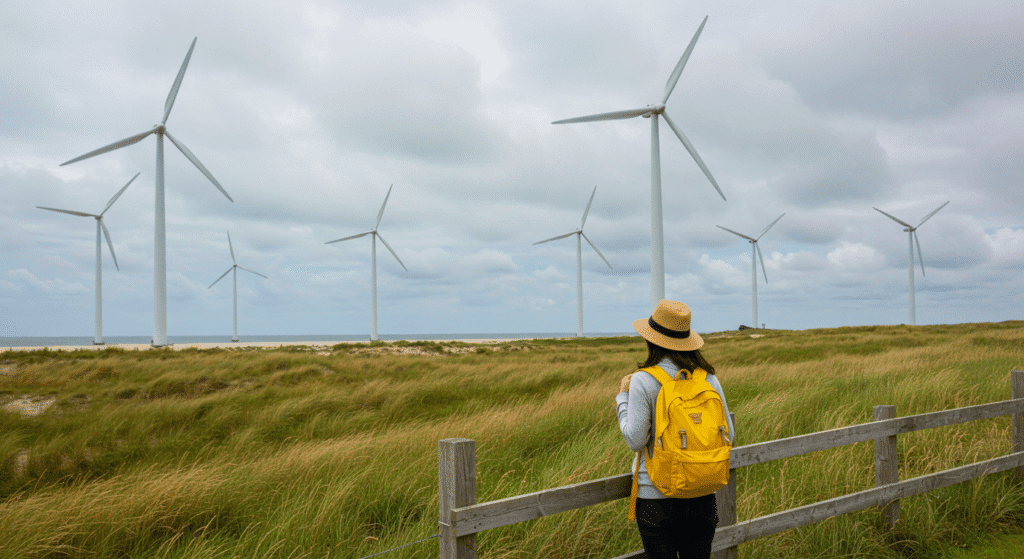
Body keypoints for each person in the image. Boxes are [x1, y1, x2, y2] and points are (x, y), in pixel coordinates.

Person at [616, 300, 734, 559]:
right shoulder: (708, 378)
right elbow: (729, 436)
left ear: (651, 339)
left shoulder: (643, 380)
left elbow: (635, 439)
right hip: (703, 494)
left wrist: (622, 398)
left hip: (656, 499)